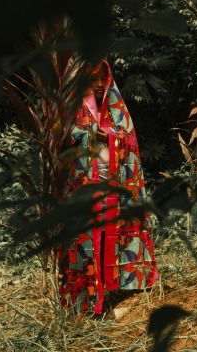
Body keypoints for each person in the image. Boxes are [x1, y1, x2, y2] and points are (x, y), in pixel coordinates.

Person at [58, 59, 158, 315]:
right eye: (94, 80)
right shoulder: (73, 109)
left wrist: (112, 137)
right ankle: (87, 302)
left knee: (110, 241)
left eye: (104, 79)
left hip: (114, 190)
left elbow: (131, 143)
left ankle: (111, 292)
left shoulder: (118, 110)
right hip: (84, 192)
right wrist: (89, 134)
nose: (100, 85)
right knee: (87, 244)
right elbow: (61, 145)